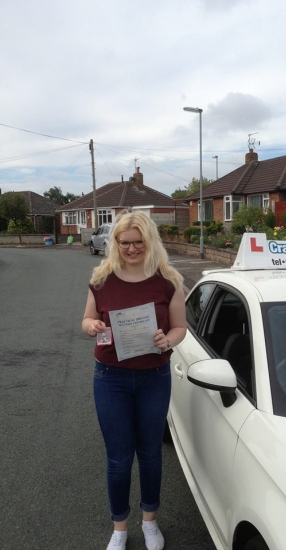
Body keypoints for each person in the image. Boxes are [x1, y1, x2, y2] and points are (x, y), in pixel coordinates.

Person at [82, 211, 186, 550]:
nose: (131, 249)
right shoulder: (101, 279)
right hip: (110, 378)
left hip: (153, 377)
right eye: (124, 242)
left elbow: (179, 328)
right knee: (118, 457)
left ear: (149, 242)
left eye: (138, 242)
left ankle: (150, 521)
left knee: (151, 454)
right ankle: (120, 527)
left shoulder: (168, 280)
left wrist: (168, 341)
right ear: (115, 243)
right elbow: (86, 320)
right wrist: (92, 327)